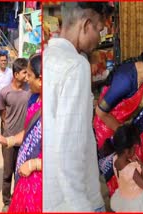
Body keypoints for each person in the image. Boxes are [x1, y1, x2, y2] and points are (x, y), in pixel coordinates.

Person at [43, 2, 113, 212]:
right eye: (99, 30)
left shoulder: (47, 57)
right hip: (72, 200)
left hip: (51, 194)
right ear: (86, 25)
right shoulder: (76, 65)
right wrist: (82, 206)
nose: (99, 39)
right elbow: (69, 151)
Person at [94, 38, 143, 198]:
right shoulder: (125, 79)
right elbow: (100, 111)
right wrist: (125, 134)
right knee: (122, 174)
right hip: (111, 128)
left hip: (132, 129)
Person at [0, 53, 42, 212]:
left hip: (40, 183)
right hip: (26, 175)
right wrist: (7, 140)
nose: (27, 79)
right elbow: (26, 132)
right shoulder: (34, 99)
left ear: (40, 80)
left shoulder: (54, 108)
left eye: (30, 74)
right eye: (25, 74)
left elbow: (61, 156)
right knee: (7, 172)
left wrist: (35, 164)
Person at [0, 58, 31, 212]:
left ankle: (18, 198)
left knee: (22, 171)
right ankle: (6, 201)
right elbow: (3, 113)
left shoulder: (30, 90)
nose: (27, 75)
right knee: (7, 172)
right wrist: (5, 133)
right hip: (9, 139)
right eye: (24, 72)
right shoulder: (5, 92)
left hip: (25, 139)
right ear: (16, 74)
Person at [108, 124, 143, 212]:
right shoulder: (132, 170)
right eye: (134, 148)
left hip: (124, 196)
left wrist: (130, 159)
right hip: (137, 202)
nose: (135, 150)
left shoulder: (115, 159)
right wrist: (142, 167)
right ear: (127, 151)